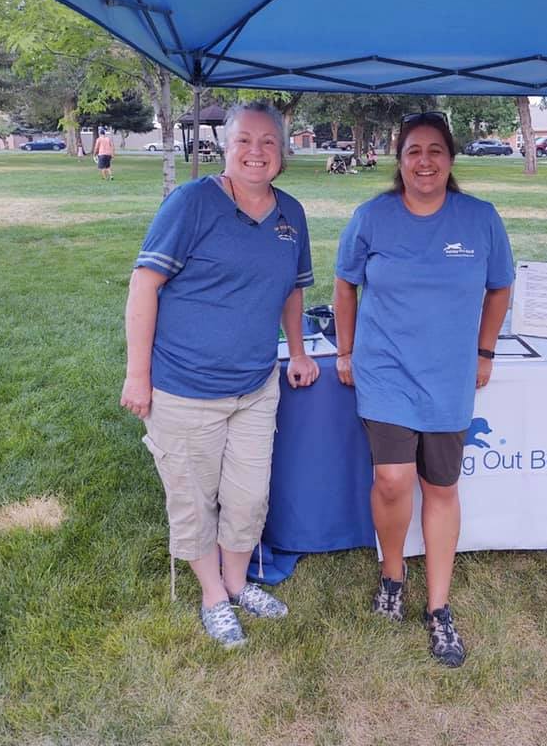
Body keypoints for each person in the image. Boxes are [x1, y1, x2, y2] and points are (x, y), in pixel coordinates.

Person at [120, 101, 320, 648]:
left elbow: (293, 290)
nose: (256, 152)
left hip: (256, 386)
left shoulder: (291, 215)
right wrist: (138, 375)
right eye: (244, 142)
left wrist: (298, 353)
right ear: (224, 147)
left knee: (249, 498)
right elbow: (145, 285)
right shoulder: (192, 202)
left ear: (283, 151)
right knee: (192, 499)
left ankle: (237, 582)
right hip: (184, 387)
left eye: (268, 142)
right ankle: (212, 595)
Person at [333, 111, 514, 667]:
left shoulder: (480, 219)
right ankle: (393, 573)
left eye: (435, 150)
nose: (425, 161)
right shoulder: (371, 218)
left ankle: (439, 608)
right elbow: (345, 285)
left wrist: (484, 352)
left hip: (447, 376)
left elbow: (500, 288)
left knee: (440, 488)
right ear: (399, 160)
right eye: (414, 151)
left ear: (451, 159)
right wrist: (344, 350)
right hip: (385, 369)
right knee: (392, 480)